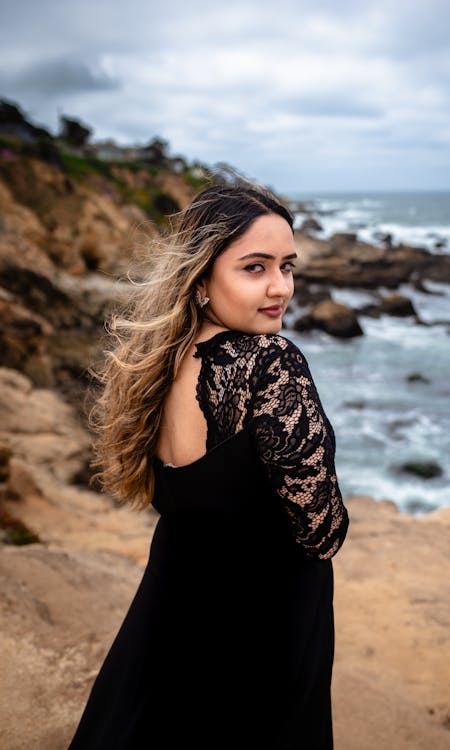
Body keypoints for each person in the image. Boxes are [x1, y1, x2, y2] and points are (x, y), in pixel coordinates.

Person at [67, 182, 349, 750]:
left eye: (287, 266)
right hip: (262, 628)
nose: (281, 288)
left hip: (172, 617)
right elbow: (322, 532)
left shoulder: (159, 361)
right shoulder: (271, 362)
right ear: (201, 279)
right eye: (254, 268)